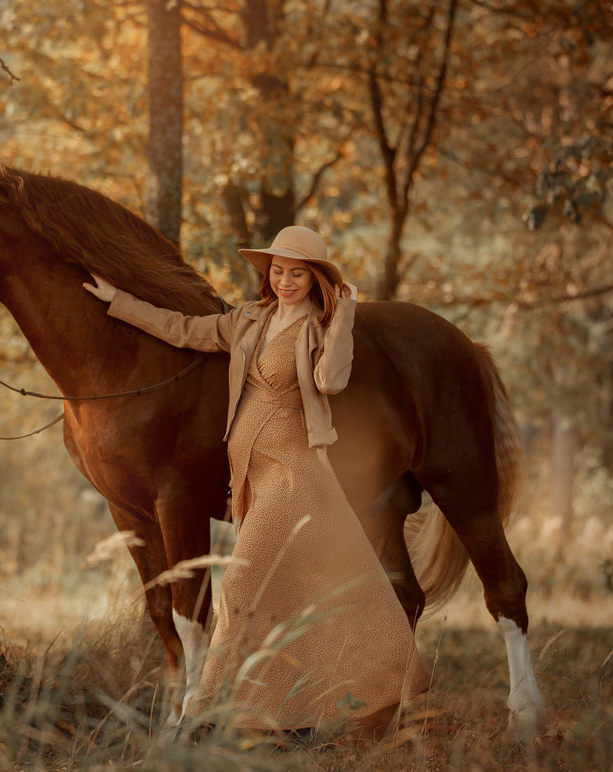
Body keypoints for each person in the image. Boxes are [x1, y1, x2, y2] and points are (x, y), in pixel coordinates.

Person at [82, 225, 431, 739]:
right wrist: (118, 302)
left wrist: (347, 313)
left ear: (316, 280)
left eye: (297, 273)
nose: (285, 281)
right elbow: (180, 329)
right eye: (278, 271)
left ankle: (204, 714)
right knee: (288, 591)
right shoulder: (247, 319)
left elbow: (332, 380)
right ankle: (282, 714)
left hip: (295, 471)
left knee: (242, 585)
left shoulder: (320, 325)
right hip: (249, 471)